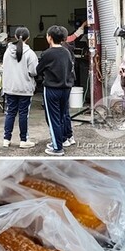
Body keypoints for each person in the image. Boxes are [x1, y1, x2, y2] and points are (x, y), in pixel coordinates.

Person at [36, 25, 74, 156]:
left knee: (53, 119)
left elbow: (37, 70)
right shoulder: (66, 52)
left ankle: (57, 148)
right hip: (66, 88)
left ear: (50, 38)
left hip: (52, 89)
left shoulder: (47, 53)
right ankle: (61, 140)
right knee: (62, 116)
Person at [0, 26, 38, 149]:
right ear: (28, 38)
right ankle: (23, 140)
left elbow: (4, 67)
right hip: (25, 88)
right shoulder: (30, 53)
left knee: (10, 113)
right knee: (23, 114)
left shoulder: (7, 51)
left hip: (10, 87)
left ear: (15, 37)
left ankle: (6, 139)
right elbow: (34, 72)